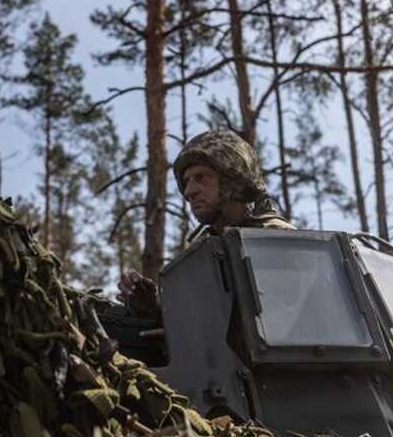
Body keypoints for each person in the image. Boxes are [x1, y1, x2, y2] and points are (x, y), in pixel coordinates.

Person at [117, 129, 294, 319]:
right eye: (186, 181)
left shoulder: (278, 240)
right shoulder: (202, 253)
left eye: (201, 178)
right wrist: (155, 310)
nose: (189, 191)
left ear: (232, 181)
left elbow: (286, 323)